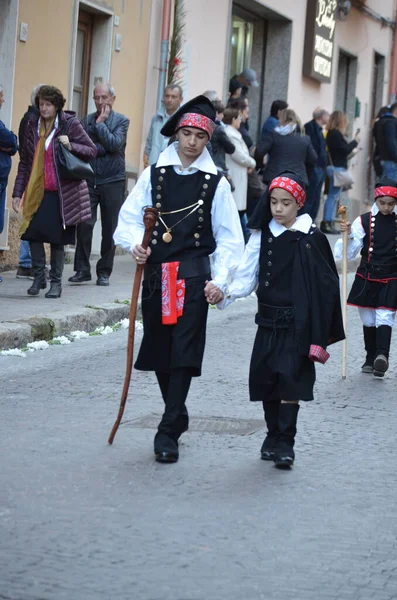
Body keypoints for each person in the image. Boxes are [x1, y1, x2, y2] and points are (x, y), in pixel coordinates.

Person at [114, 95, 244, 464]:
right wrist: (134, 246)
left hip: (194, 275)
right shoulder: (154, 173)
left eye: (199, 136)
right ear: (176, 134)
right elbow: (129, 219)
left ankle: (168, 428)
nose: (191, 142)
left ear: (207, 140)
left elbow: (231, 237)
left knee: (184, 350)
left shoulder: (215, 183)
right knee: (160, 349)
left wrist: (220, 279)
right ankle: (177, 411)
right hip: (157, 274)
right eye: (186, 133)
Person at [215, 171, 344, 468]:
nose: (278, 209)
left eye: (286, 203)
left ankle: (286, 441)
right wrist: (225, 294)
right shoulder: (262, 234)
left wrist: (320, 332)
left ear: (298, 204)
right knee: (267, 380)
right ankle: (272, 434)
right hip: (267, 322)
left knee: (291, 381)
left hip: (296, 324)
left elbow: (326, 288)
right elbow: (247, 276)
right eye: (273, 202)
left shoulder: (310, 238)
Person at [12, 85, 97, 298]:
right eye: (41, 104)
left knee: (57, 239)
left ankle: (56, 283)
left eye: (48, 104)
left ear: (57, 105)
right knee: (31, 233)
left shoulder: (69, 124)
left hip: (62, 191)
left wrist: (71, 146)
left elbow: (91, 151)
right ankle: (40, 276)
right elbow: (25, 162)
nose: (43, 108)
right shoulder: (32, 125)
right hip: (37, 190)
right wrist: (17, 191)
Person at [335, 176, 397, 378]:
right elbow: (348, 252)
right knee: (368, 319)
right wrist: (349, 235)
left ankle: (382, 356)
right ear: (376, 200)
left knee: (385, 315)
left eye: (391, 204)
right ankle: (370, 358)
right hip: (367, 275)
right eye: (382, 203)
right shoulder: (362, 220)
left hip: (392, 276)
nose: (386, 207)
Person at [69, 83, 130, 286]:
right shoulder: (86, 121)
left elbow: (114, 144)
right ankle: (82, 269)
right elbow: (83, 148)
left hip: (113, 180)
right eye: (96, 97)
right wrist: (100, 147)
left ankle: (104, 271)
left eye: (104, 97)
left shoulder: (122, 120)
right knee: (84, 223)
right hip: (90, 177)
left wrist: (101, 124)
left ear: (112, 99)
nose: (100, 101)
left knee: (110, 227)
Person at [16, 83, 45, 280]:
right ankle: (26, 263)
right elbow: (27, 155)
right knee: (31, 218)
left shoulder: (33, 119)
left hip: (36, 176)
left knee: (33, 217)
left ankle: (29, 263)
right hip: (33, 176)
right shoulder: (31, 121)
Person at [255, 108, 317, 186]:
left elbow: (259, 152)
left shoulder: (274, 135)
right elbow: (313, 159)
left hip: (274, 176)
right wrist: (304, 173)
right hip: (297, 179)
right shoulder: (305, 138)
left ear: (281, 120)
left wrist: (260, 166)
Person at [322, 110, 360, 234]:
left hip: (335, 167)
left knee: (334, 196)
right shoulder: (335, 134)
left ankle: (329, 221)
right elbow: (344, 151)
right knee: (333, 197)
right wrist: (355, 141)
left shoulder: (333, 134)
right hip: (336, 168)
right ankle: (327, 222)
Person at [223, 108, 256, 242]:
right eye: (238, 118)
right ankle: (247, 239)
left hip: (239, 173)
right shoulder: (231, 134)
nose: (240, 121)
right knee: (237, 210)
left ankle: (246, 238)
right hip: (235, 174)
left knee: (239, 211)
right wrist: (252, 162)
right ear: (233, 119)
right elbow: (239, 155)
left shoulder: (233, 133)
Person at [0, 85, 18, 283]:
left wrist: (11, 142)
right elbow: (10, 140)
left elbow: (13, 144)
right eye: (1, 96)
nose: (3, 100)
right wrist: (11, 142)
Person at [144, 84, 183, 167]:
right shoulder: (156, 118)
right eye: (167, 96)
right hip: (154, 164)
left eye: (173, 97)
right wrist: (147, 159)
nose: (169, 100)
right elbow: (149, 142)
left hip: (173, 166)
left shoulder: (183, 120)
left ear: (181, 99)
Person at [303, 107, 330, 220]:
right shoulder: (310, 127)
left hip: (321, 167)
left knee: (316, 198)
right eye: (327, 115)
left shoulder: (320, 130)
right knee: (310, 196)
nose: (329, 118)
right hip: (314, 167)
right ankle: (305, 221)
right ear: (322, 116)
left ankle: (311, 221)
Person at [210, 100, 235, 179]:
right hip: (218, 165)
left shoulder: (205, 126)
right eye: (222, 114)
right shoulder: (219, 129)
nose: (223, 116)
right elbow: (231, 148)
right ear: (217, 113)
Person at [373, 102, 397, 179]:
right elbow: (391, 142)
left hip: (384, 159)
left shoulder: (382, 121)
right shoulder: (391, 123)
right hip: (392, 162)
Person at [372, 105, 390, 178]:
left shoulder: (377, 123)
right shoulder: (389, 124)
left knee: (380, 178)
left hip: (378, 155)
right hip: (387, 157)